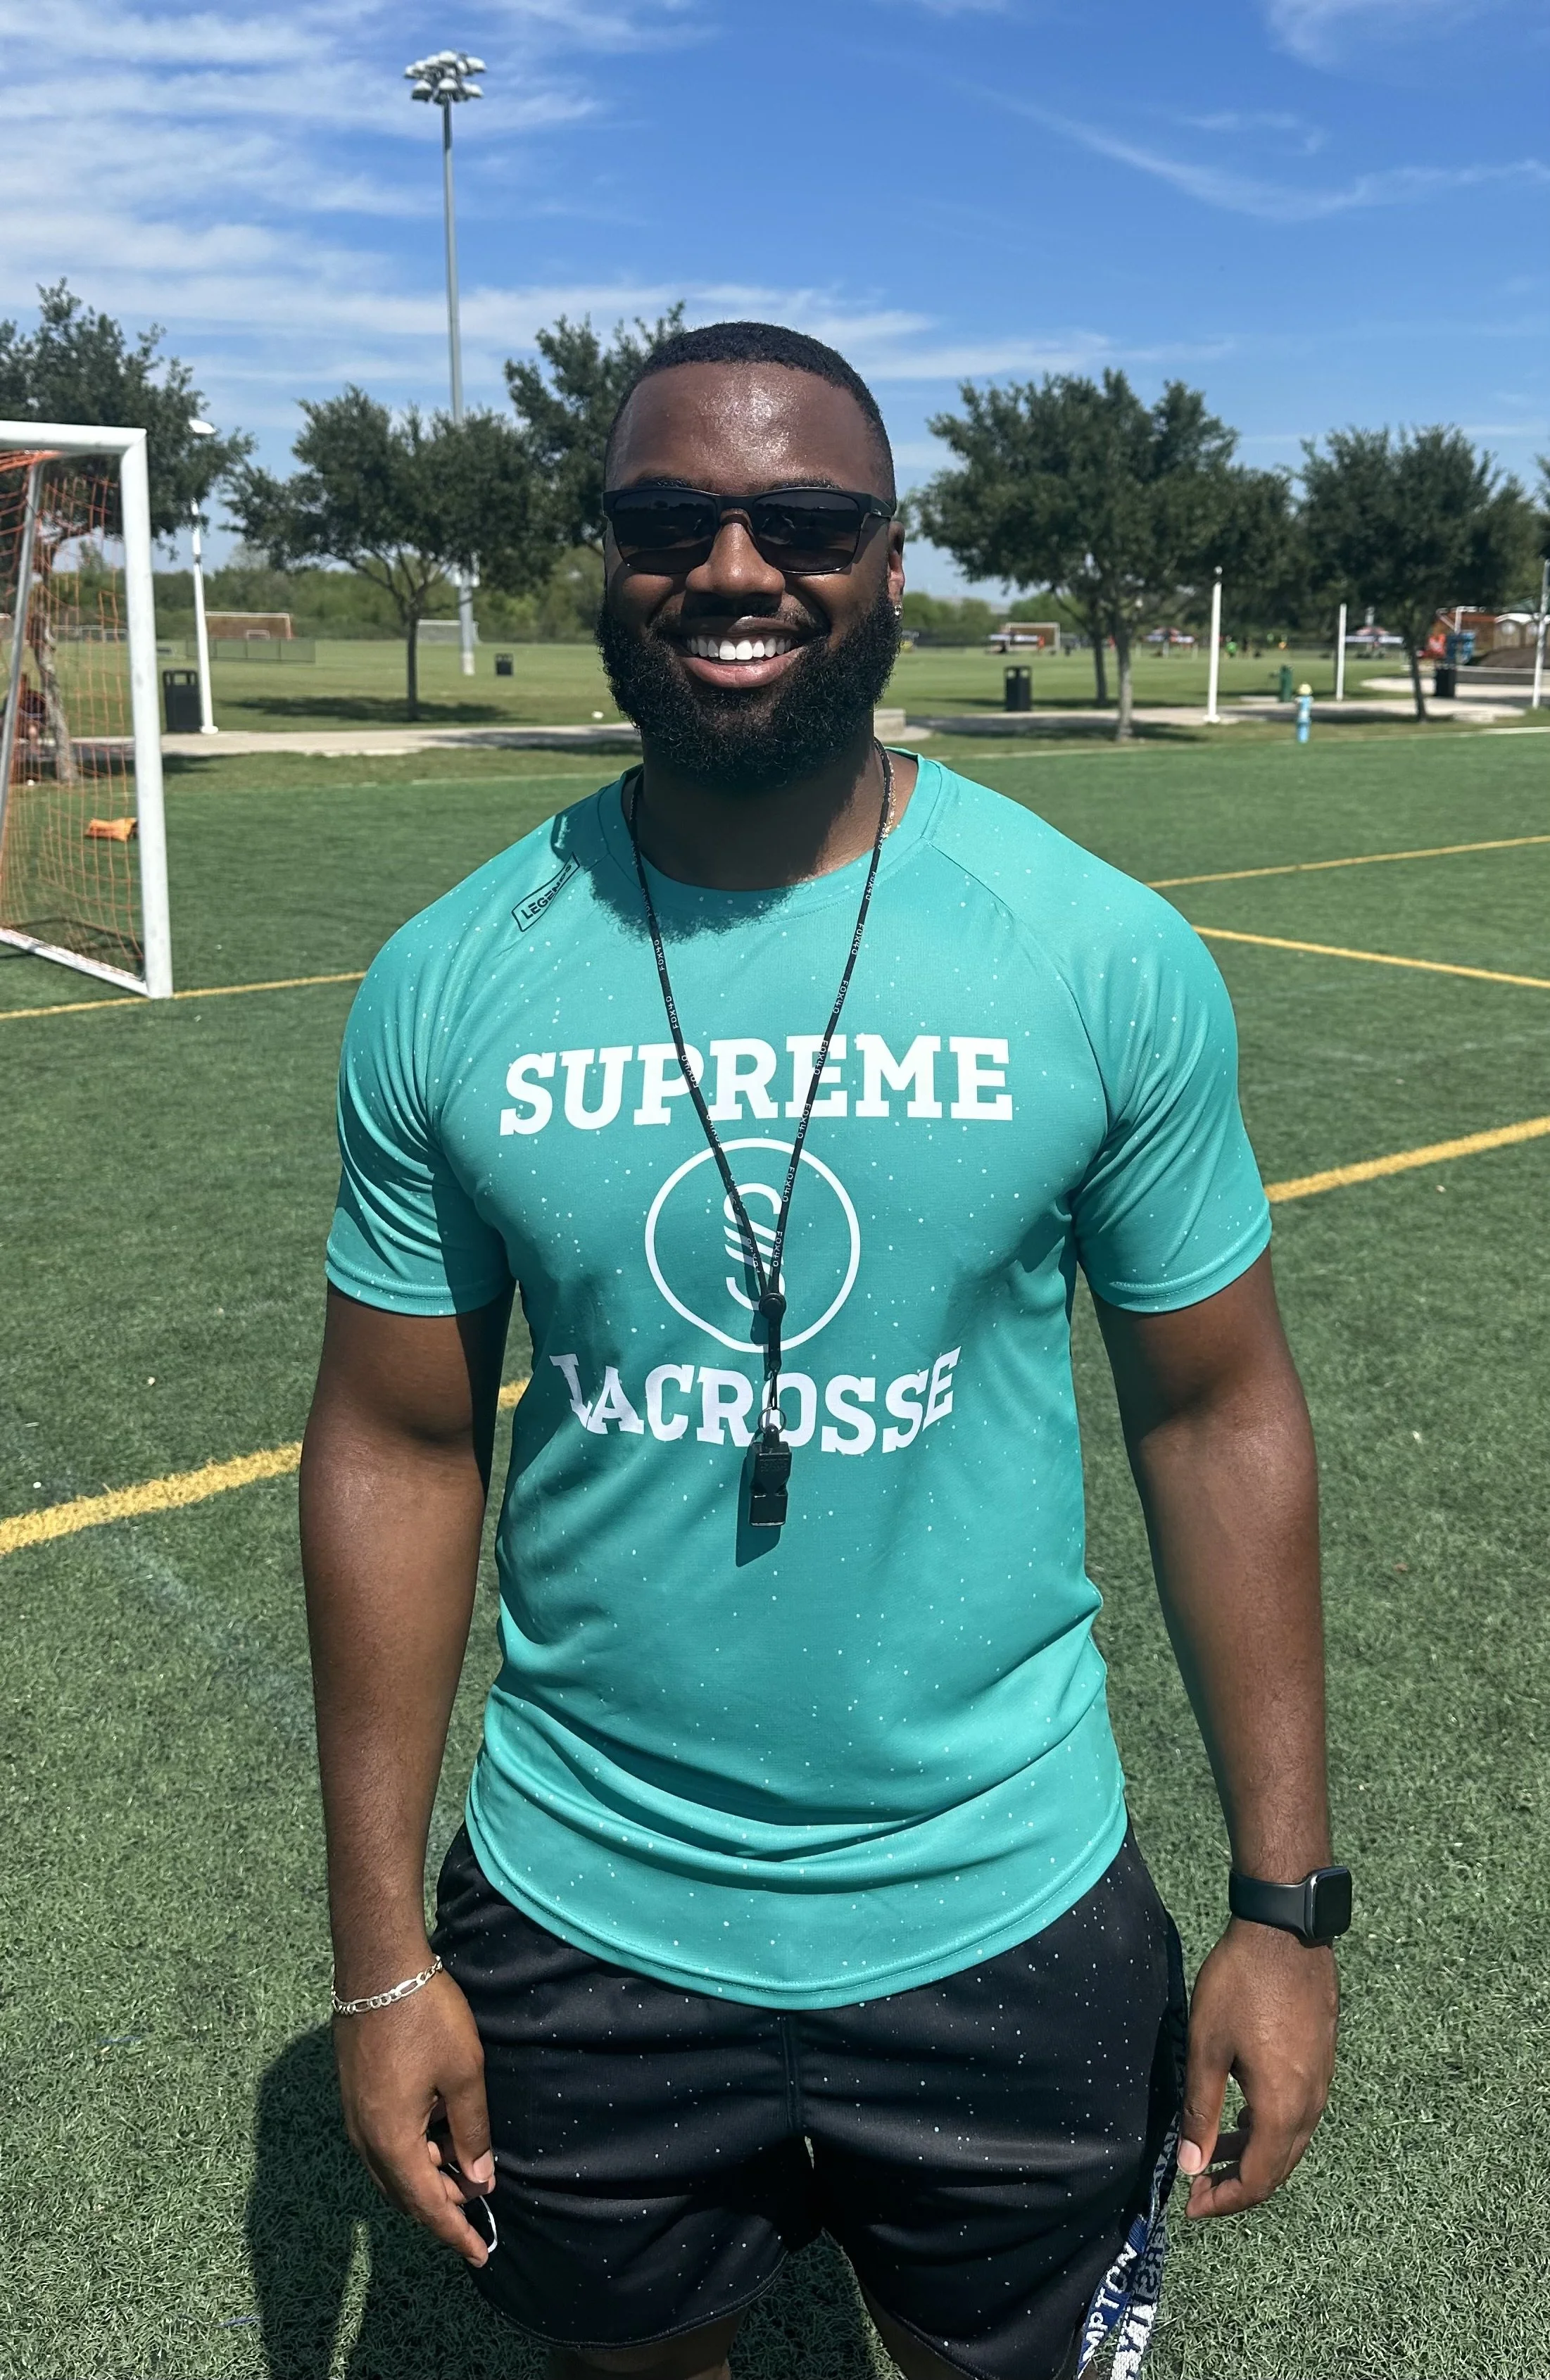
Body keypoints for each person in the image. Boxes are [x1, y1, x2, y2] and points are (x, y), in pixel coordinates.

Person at [301, 321, 1346, 2380]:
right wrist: (375, 1956)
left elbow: (1218, 1411)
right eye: (670, 517)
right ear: (600, 555)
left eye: (807, 519)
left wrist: (1284, 1906)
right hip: (585, 1919)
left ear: (890, 557)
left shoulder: (1092, 949)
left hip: (1009, 1907)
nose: (737, 565)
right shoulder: (453, 979)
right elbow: (396, 1448)